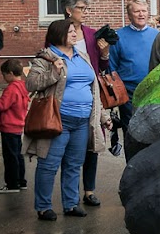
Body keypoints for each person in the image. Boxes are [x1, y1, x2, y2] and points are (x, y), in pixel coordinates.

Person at [26, 20, 111, 221]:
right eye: (71, 31)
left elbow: (94, 89)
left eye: (75, 31)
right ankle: (43, 206)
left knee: (74, 164)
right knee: (49, 164)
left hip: (82, 121)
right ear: (59, 34)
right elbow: (31, 84)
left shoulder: (83, 56)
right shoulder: (46, 57)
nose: (75, 34)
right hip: (58, 119)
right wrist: (54, 71)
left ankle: (71, 204)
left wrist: (103, 116)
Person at [61, 0, 108, 207]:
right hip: (67, 97)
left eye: (87, 9)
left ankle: (89, 190)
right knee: (67, 147)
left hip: (92, 95)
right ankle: (69, 194)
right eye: (82, 8)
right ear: (69, 10)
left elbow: (103, 68)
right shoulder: (58, 31)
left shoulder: (91, 34)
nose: (85, 13)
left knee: (93, 142)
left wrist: (105, 53)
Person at [108, 0, 159, 157]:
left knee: (153, 131)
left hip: (153, 91)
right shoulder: (118, 37)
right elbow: (112, 67)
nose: (141, 14)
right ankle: (132, 165)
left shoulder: (157, 35)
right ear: (129, 15)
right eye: (137, 11)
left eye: (144, 11)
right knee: (131, 132)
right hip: (129, 93)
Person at [0, 59, 29, 194]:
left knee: (10, 157)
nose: (4, 78)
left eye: (4, 75)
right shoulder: (22, 86)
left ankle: (11, 184)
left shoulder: (11, 89)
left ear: (10, 73)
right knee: (18, 156)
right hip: (18, 125)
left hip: (8, 126)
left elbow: (2, 105)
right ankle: (21, 181)